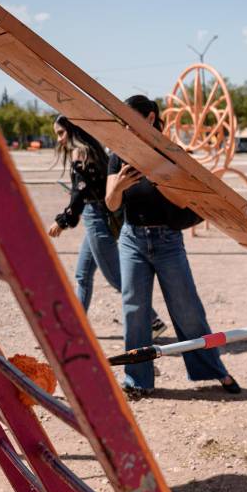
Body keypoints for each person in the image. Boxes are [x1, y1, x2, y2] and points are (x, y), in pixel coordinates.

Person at [105, 95, 241, 398]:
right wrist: (120, 186)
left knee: (187, 309)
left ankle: (213, 371)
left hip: (167, 240)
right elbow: (111, 203)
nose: (125, 126)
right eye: (122, 121)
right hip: (132, 239)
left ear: (151, 119)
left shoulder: (170, 153)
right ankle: (137, 380)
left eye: (130, 119)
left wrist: (159, 178)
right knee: (135, 311)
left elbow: (187, 202)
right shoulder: (118, 154)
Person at [46, 115, 167, 337]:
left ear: (73, 131)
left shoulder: (81, 153)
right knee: (83, 275)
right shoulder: (92, 151)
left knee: (116, 277)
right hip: (99, 218)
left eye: (61, 133)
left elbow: (79, 194)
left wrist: (63, 221)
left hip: (97, 220)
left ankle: (153, 322)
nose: (59, 139)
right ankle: (76, 327)